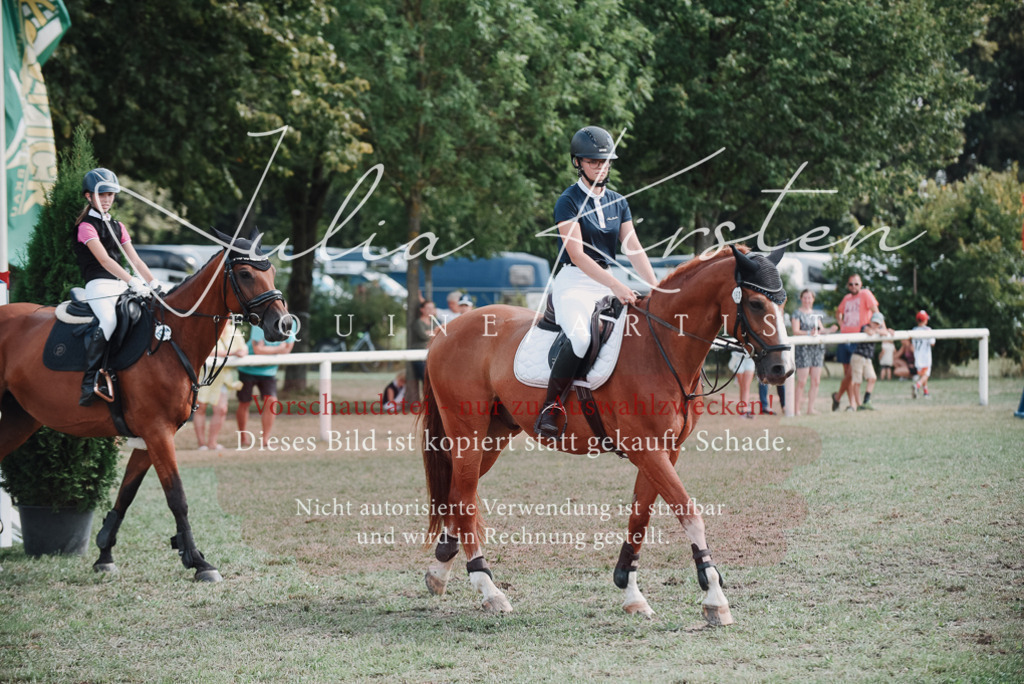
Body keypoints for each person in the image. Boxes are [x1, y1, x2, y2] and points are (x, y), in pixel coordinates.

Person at [534, 125, 657, 438]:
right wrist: (616, 286)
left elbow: (634, 249)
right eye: (593, 162)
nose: (601, 168)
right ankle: (552, 407)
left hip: (606, 279)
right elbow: (577, 255)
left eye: (605, 162)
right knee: (580, 338)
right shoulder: (568, 201)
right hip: (574, 281)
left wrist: (657, 287)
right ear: (578, 163)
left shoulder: (618, 202)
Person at [73, 168, 161, 406]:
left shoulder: (119, 226)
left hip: (119, 284)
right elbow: (104, 261)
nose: (107, 199)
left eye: (110, 194)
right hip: (98, 285)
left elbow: (135, 259)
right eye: (101, 194)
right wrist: (132, 281)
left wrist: (153, 283)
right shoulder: (86, 226)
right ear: (88, 196)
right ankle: (89, 382)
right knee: (109, 321)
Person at [235, 322, 296, 446]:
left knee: (272, 401)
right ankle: (243, 437)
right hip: (247, 368)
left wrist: (268, 349)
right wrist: (280, 348)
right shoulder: (259, 321)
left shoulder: (290, 323)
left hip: (269, 371)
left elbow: (288, 349)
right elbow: (258, 349)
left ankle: (265, 439)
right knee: (245, 402)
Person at [193, 319, 247, 450]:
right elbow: (204, 351)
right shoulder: (206, 329)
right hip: (204, 375)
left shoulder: (235, 332)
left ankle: (212, 442)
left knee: (221, 409)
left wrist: (236, 353)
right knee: (201, 408)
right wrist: (232, 353)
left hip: (222, 377)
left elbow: (244, 350)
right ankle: (201, 443)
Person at [832, 274, 880, 412]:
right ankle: (846, 401)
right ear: (848, 285)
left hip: (858, 339)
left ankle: (844, 400)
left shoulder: (865, 294)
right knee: (848, 373)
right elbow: (838, 312)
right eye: (851, 284)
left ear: (861, 284)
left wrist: (881, 328)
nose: (854, 287)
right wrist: (841, 323)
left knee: (851, 374)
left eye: (856, 284)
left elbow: (876, 313)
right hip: (844, 338)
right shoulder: (846, 298)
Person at [790, 289, 837, 415]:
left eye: (809, 298)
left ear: (813, 299)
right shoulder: (796, 313)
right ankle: (796, 409)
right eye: (805, 297)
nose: (807, 300)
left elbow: (820, 330)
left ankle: (810, 409)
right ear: (801, 298)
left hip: (817, 350)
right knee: (802, 381)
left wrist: (830, 330)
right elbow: (796, 331)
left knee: (816, 381)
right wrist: (808, 333)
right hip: (803, 349)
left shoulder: (815, 314)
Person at [850, 312, 894, 411]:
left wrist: (885, 330)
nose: (875, 325)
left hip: (867, 358)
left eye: (878, 324)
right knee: (857, 381)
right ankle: (859, 404)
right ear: (870, 321)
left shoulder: (877, 329)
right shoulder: (864, 326)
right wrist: (881, 330)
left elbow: (883, 332)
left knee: (872, 378)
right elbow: (869, 331)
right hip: (858, 356)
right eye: (874, 322)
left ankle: (866, 400)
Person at [911, 310, 936, 399]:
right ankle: (917, 386)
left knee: (923, 374)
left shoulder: (914, 330)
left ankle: (926, 392)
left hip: (917, 356)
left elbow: (912, 345)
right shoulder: (928, 330)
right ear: (925, 320)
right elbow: (932, 343)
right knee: (926, 375)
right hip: (925, 356)